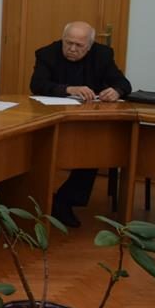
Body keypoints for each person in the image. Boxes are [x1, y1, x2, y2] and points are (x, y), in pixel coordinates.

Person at [30, 21, 132, 227]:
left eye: (79, 45)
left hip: (88, 121)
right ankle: (35, 197)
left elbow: (124, 83)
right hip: (52, 118)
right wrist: (69, 89)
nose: (72, 49)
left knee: (94, 148)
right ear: (62, 39)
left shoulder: (103, 55)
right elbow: (37, 85)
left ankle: (64, 201)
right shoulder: (47, 54)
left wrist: (116, 91)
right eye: (68, 43)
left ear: (90, 46)